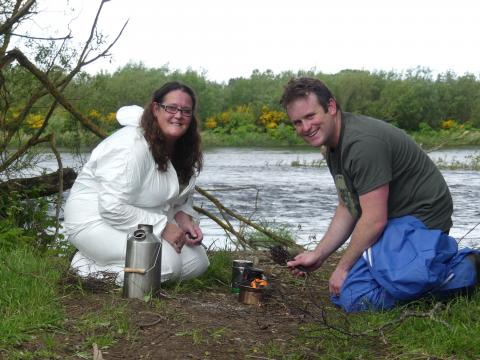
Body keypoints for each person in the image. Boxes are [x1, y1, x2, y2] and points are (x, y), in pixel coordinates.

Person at [281, 77, 479, 312]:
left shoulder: (362, 144)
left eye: (310, 116)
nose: (305, 127)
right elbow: (347, 207)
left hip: (421, 219)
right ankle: (416, 269)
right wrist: (319, 254)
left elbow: (374, 220)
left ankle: (463, 268)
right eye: (297, 122)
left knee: (355, 297)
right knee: (346, 294)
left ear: (331, 107)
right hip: (393, 224)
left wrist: (343, 268)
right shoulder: (333, 146)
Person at [64, 81, 209, 285]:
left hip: (140, 222)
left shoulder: (183, 149)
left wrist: (184, 219)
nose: (178, 115)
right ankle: (84, 268)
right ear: (156, 109)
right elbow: (112, 208)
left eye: (186, 111)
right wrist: (163, 228)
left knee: (197, 261)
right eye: (172, 108)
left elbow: (178, 198)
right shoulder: (129, 146)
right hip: (95, 222)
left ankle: (113, 263)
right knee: (166, 265)